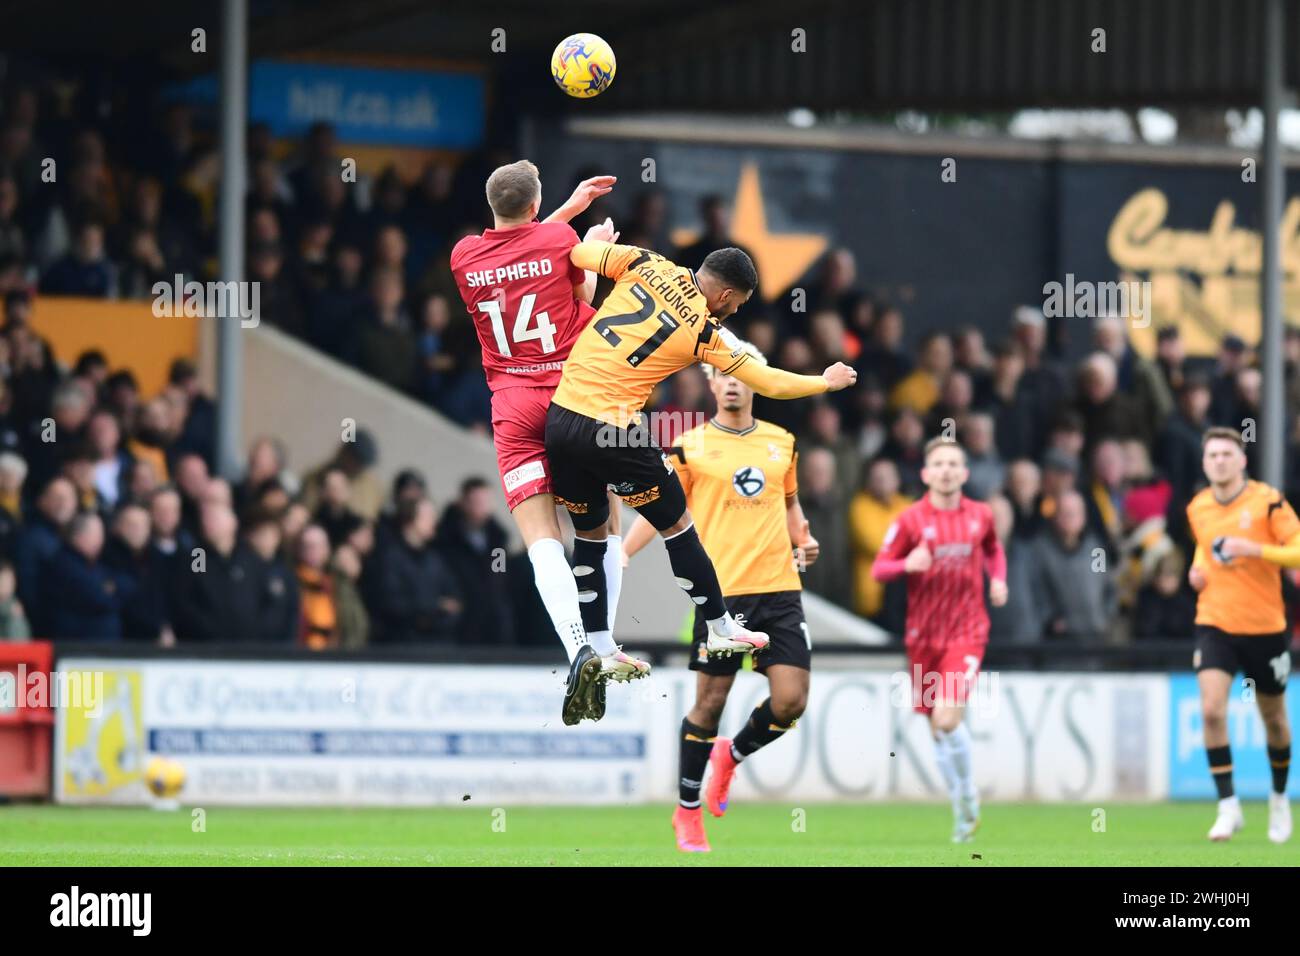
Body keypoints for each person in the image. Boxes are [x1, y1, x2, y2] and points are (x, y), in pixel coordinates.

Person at [545, 237, 856, 722]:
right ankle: (718, 624)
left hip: (560, 420)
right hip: (611, 428)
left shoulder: (645, 261)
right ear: (728, 296)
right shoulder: (704, 330)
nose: (731, 312)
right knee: (679, 524)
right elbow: (769, 380)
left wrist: (595, 241)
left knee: (589, 533)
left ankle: (600, 645)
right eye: (736, 306)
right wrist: (825, 382)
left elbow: (578, 256)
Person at [450, 159, 648, 725]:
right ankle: (604, 643)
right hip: (572, 400)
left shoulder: (464, 256)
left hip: (513, 406)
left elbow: (517, 251)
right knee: (600, 522)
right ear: (538, 207)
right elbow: (577, 282)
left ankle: (576, 650)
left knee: (541, 540)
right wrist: (589, 239)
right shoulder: (561, 239)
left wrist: (565, 215)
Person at [623, 343, 819, 853]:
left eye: (740, 374)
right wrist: (623, 553)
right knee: (709, 705)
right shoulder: (689, 446)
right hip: (722, 598)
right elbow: (656, 509)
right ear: (711, 383)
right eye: (721, 373)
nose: (731, 381)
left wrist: (803, 537)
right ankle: (687, 812)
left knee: (791, 701)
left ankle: (731, 755)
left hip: (780, 591)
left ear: (755, 381)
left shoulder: (783, 442)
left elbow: (791, 502)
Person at [871, 438, 1008, 842]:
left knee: (948, 718)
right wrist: (905, 564)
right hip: (923, 635)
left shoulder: (981, 515)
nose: (946, 470)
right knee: (937, 729)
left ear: (964, 473)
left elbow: (994, 552)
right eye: (939, 464)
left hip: (967, 631)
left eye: (953, 463)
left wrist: (997, 579)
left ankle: (967, 794)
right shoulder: (910, 520)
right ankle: (962, 813)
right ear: (926, 474)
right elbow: (879, 569)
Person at [1187, 426, 1294, 844]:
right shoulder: (1198, 507)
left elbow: (1299, 549)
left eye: (1227, 454)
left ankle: (1279, 798)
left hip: (1265, 626)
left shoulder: (1268, 503)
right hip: (1215, 620)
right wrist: (1197, 571)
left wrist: (1257, 551)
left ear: (1242, 460)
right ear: (1204, 462)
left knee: (1275, 721)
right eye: (1212, 455)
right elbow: (1205, 546)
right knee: (1212, 710)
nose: (1219, 461)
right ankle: (1227, 806)